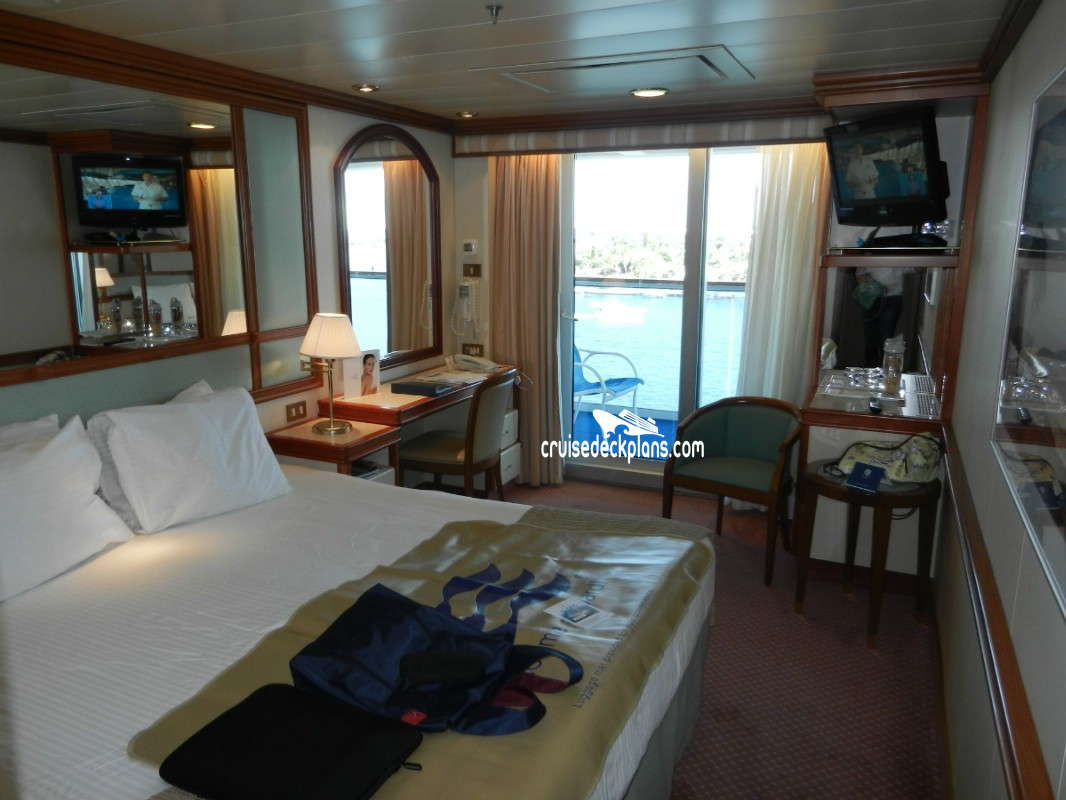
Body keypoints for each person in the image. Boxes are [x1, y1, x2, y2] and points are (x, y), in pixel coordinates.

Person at [857, 267, 906, 367]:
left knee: (886, 339)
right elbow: (859, 273)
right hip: (871, 297)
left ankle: (886, 371)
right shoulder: (869, 257)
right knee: (870, 339)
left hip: (892, 297)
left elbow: (915, 267)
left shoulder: (900, 258)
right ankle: (870, 370)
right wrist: (872, 287)